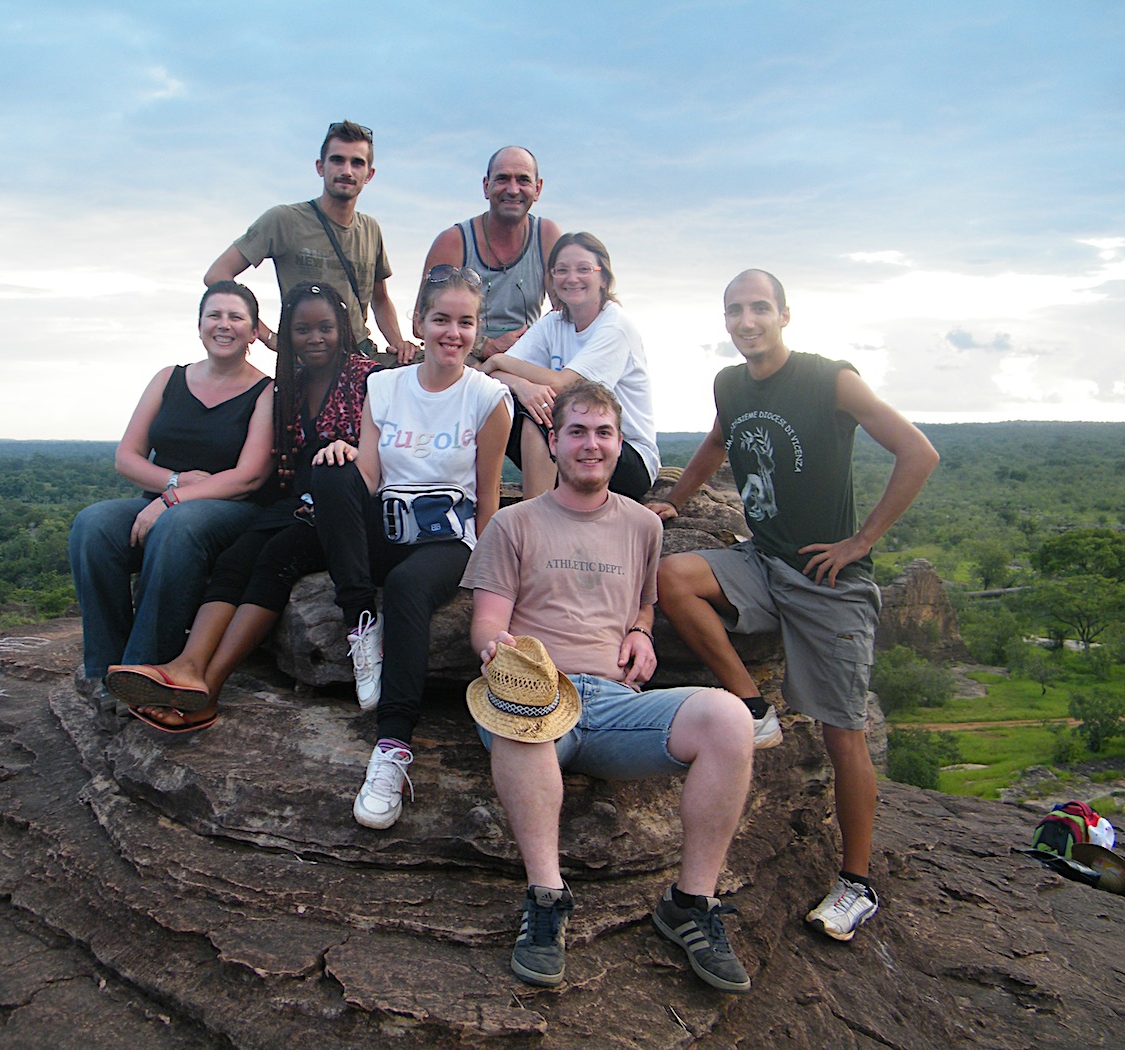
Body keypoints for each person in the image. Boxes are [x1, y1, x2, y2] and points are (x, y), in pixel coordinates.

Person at [654, 269, 939, 943]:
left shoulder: (828, 379)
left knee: (844, 732)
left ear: (785, 314)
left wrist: (861, 540)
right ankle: (753, 706)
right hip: (760, 560)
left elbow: (917, 452)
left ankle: (856, 884)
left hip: (826, 579)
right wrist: (675, 501)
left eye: (760, 308)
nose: (747, 321)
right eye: (736, 310)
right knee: (671, 577)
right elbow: (716, 445)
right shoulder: (729, 383)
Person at [463, 380, 755, 993]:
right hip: (538, 691)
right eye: (577, 431)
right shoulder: (514, 525)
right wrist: (497, 651)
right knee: (518, 718)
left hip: (617, 704)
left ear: (620, 444)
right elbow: (488, 620)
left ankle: (690, 904)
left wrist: (644, 633)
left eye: (603, 433)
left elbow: (642, 605)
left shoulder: (643, 525)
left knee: (730, 719)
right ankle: (546, 898)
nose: (590, 445)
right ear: (553, 440)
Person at [102, 282, 379, 731]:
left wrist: (353, 451)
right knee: (235, 559)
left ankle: (206, 691)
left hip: (341, 511)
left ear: (343, 328)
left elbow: (388, 446)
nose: (315, 338)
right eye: (302, 329)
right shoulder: (288, 387)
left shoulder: (369, 378)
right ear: (284, 334)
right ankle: (186, 666)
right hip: (293, 505)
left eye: (325, 327)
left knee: (273, 560)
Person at [312, 265, 511, 830]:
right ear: (419, 322)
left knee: (405, 587)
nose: (453, 332)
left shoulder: (487, 398)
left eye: (466, 322)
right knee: (330, 470)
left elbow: (488, 494)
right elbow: (371, 473)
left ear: (478, 328)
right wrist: (344, 461)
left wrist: (488, 577)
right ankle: (361, 625)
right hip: (388, 524)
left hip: (447, 540)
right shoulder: (386, 384)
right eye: (441, 319)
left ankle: (392, 748)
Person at [67, 281, 275, 710]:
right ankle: (108, 668)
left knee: (178, 527)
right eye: (214, 315)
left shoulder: (266, 391)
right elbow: (127, 457)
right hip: (165, 499)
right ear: (199, 325)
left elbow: (251, 476)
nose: (224, 324)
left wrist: (172, 502)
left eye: (236, 317)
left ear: (254, 331)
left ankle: (147, 668)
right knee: (92, 525)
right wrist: (174, 483)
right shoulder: (169, 378)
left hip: (229, 510)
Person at [204, 120, 418, 363]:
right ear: (320, 167)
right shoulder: (285, 220)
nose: (347, 171)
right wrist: (269, 337)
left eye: (357, 162)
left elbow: (380, 298)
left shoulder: (370, 229)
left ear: (369, 174)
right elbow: (217, 275)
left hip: (358, 358)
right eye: (337, 160)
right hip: (306, 364)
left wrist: (398, 344)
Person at [479, 232, 659, 500]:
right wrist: (521, 384)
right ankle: (490, 504)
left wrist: (500, 359)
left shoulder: (615, 326)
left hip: (622, 455)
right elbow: (489, 375)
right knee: (499, 402)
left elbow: (567, 385)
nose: (572, 278)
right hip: (571, 444)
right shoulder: (553, 323)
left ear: (604, 278)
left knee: (545, 409)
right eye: (561, 270)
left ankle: (536, 519)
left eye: (584, 269)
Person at [413, 146, 561, 361]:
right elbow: (421, 322)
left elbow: (566, 310)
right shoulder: (454, 241)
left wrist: (535, 339)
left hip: (526, 355)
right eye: (502, 179)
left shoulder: (547, 235)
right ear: (486, 186)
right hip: (464, 354)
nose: (513, 189)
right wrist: (485, 345)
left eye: (523, 180)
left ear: (537, 189)